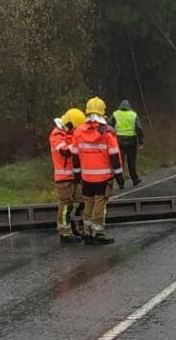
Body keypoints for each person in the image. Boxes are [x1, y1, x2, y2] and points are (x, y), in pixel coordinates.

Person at [71, 97, 124, 245]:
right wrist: (119, 176)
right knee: (99, 204)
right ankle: (98, 233)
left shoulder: (78, 132)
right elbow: (114, 156)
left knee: (88, 203)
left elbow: (75, 156)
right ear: (103, 112)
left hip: (86, 176)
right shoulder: (107, 132)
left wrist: (77, 175)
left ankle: (87, 232)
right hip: (103, 177)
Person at [49, 108, 86, 244]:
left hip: (75, 175)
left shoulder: (70, 133)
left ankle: (75, 227)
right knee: (65, 205)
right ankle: (64, 232)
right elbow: (65, 150)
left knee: (82, 201)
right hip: (63, 178)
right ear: (69, 125)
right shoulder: (56, 134)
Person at [109, 99, 144, 187]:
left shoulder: (115, 114)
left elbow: (109, 125)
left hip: (119, 141)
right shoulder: (133, 115)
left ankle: (121, 183)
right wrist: (141, 141)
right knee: (131, 162)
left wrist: (111, 137)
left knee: (120, 162)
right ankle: (135, 179)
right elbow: (139, 128)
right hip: (131, 142)